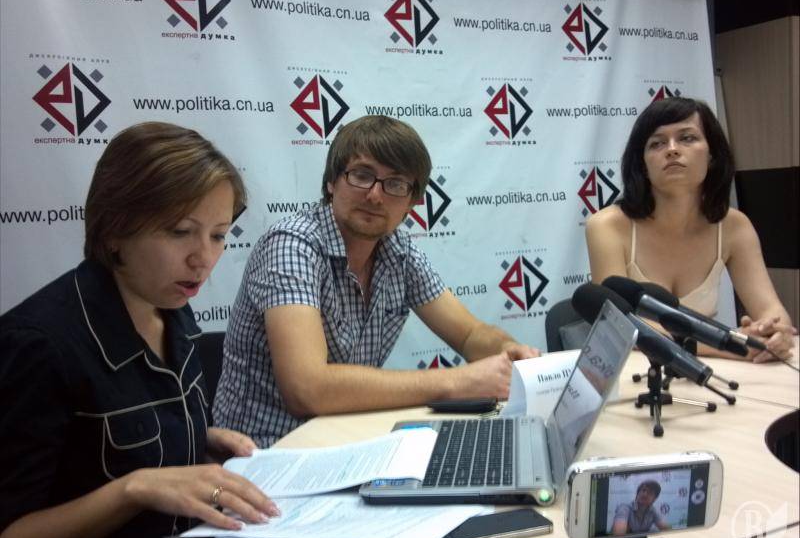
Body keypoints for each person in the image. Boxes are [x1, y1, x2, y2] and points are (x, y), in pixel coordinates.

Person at [0, 123, 279, 538]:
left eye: (218, 235)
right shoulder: (38, 345)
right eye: (180, 231)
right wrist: (133, 489)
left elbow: (101, 447)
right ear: (115, 230)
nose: (203, 258)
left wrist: (196, 441)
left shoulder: (173, 309)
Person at [213, 115, 540, 447]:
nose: (374, 195)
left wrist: (506, 351)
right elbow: (306, 389)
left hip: (343, 441)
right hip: (263, 452)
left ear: (412, 202)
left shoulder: (399, 250)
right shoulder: (292, 245)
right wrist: (458, 382)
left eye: (395, 184)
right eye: (361, 175)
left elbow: (470, 334)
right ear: (331, 182)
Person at [585, 97, 795, 363]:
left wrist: (774, 334)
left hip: (714, 373)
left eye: (687, 138)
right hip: (634, 374)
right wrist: (729, 345)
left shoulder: (734, 226)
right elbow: (625, 326)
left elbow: (772, 312)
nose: (672, 150)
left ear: (712, 155)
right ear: (643, 165)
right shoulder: (607, 226)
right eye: (657, 143)